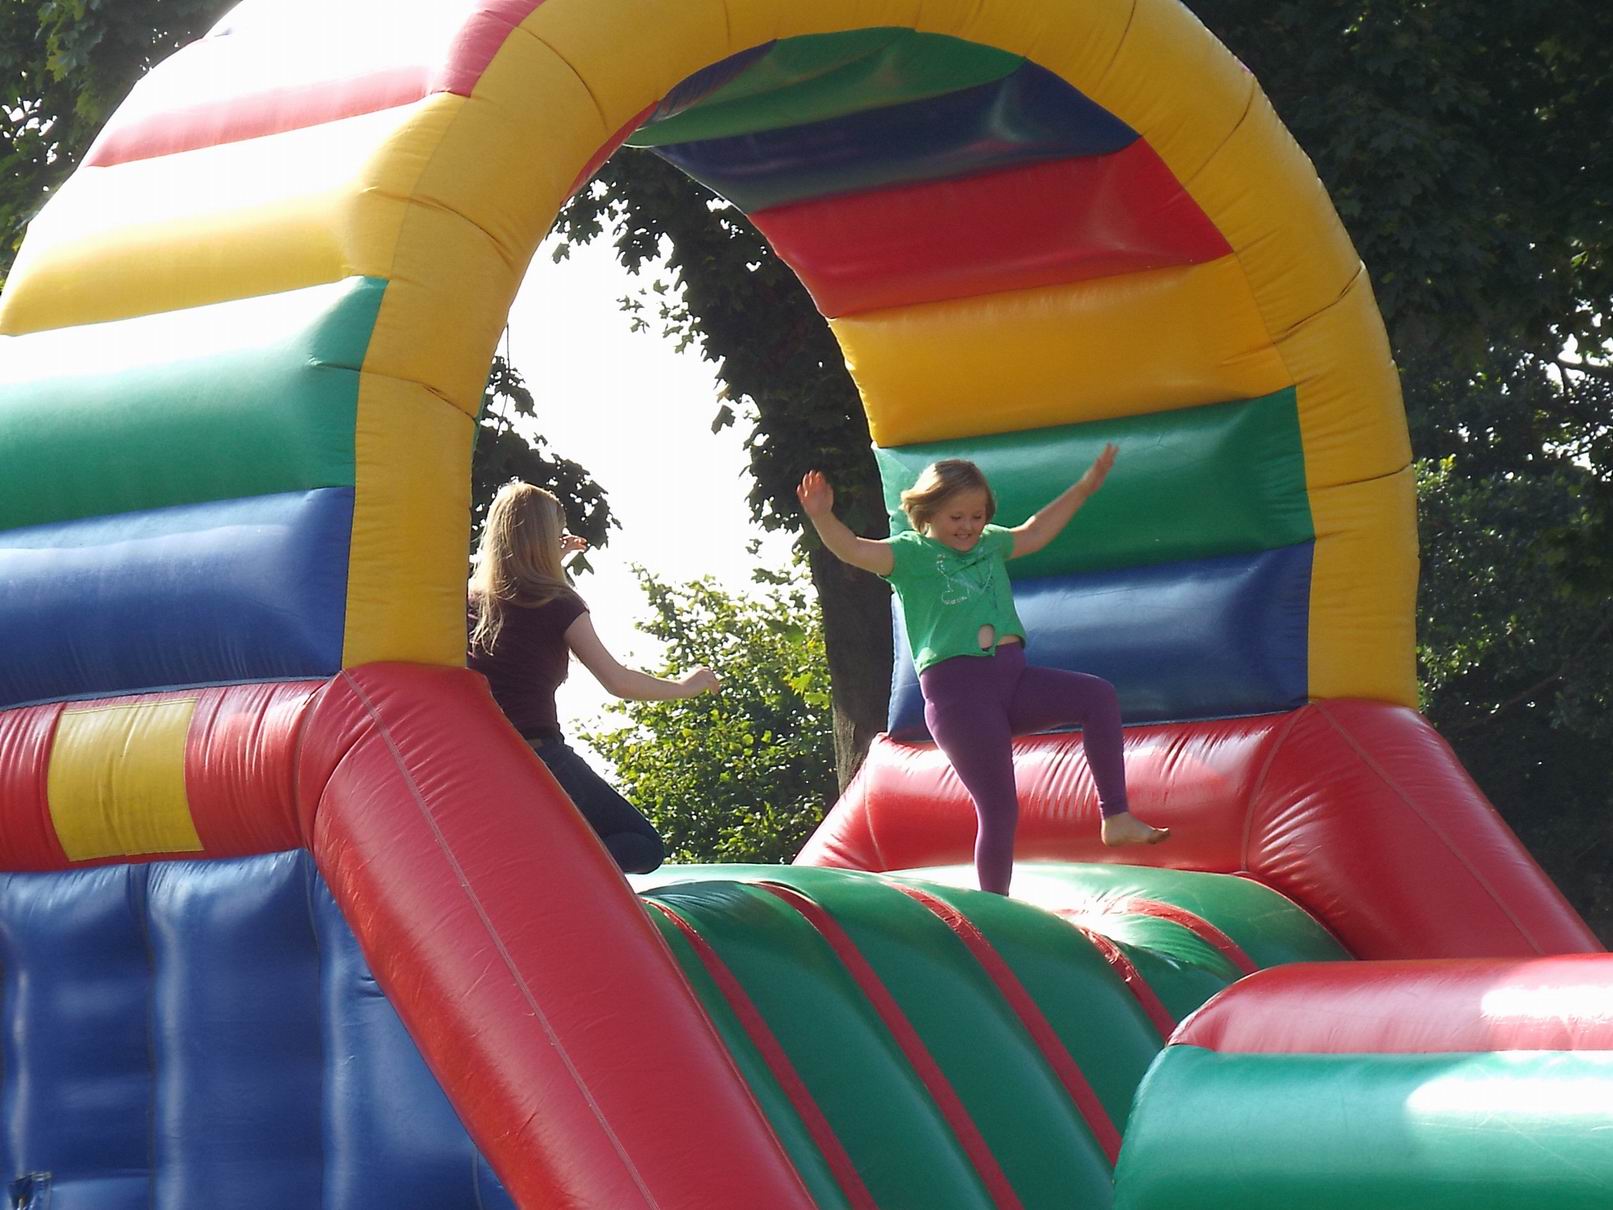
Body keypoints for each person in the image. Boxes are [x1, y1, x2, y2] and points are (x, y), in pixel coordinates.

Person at [796, 446, 1168, 895]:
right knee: (999, 808)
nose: (968, 526)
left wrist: (1084, 488)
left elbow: (1034, 532)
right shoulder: (909, 555)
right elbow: (854, 549)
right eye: (956, 517)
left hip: (1012, 681)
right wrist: (822, 517)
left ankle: (1116, 815)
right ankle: (995, 908)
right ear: (928, 512)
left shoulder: (989, 543)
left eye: (976, 516)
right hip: (960, 698)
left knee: (1097, 696)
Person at [467, 481, 720, 874]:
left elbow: (515, 612)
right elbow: (617, 681)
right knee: (642, 844)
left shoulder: (466, 604)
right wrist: (685, 687)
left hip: (479, 763)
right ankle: (549, 870)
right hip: (539, 757)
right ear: (543, 540)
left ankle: (537, 866)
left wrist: (555, 559)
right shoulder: (559, 604)